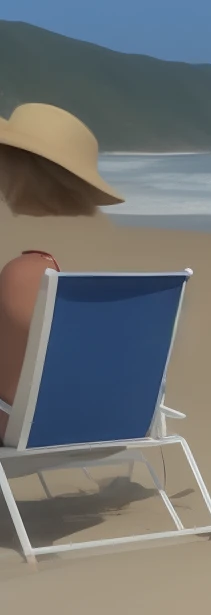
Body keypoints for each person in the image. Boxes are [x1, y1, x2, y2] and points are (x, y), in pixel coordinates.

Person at [0, 103, 122, 408]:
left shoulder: (27, 270)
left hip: (38, 428)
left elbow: (13, 391)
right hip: (118, 415)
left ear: (22, 169)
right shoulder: (114, 254)